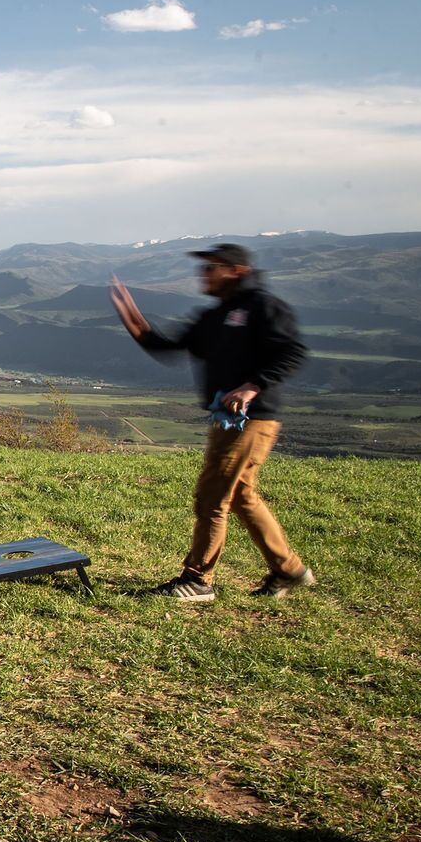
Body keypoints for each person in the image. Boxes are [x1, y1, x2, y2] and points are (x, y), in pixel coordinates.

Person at [109, 243, 314, 603]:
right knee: (241, 496)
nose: (203, 275)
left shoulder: (262, 307)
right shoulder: (216, 315)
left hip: (253, 417)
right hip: (229, 418)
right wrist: (130, 314)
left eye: (211, 268)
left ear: (236, 270)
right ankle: (289, 570)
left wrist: (253, 386)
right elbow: (166, 347)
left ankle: (198, 579)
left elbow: (292, 351)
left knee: (212, 496)